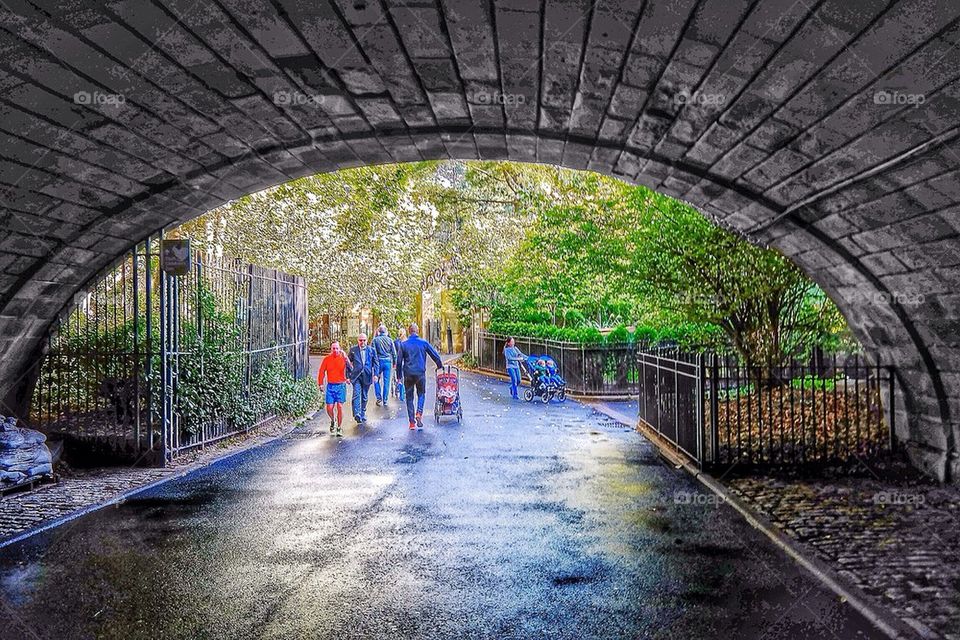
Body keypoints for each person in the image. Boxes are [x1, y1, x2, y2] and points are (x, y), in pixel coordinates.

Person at [396, 322, 443, 430]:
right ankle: (419, 413)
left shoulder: (403, 344)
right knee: (421, 394)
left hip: (408, 374)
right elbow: (435, 355)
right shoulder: (423, 343)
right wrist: (439, 366)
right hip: (420, 373)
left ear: (409, 331)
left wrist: (398, 376)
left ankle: (412, 423)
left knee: (409, 397)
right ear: (418, 331)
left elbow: (399, 362)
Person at [317, 341, 353, 437]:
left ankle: (339, 427)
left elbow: (351, 368)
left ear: (340, 348)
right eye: (333, 348)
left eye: (337, 348)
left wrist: (348, 378)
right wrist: (320, 384)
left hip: (341, 385)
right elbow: (321, 371)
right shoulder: (327, 359)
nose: (335, 350)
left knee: (340, 407)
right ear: (331, 349)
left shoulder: (343, 358)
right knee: (329, 408)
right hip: (331, 386)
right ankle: (333, 420)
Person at [347, 334, 379, 423]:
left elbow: (376, 363)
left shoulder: (371, 350)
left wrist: (376, 374)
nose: (362, 342)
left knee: (364, 396)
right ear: (358, 340)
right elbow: (348, 363)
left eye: (364, 340)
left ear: (367, 340)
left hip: (367, 375)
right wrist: (348, 376)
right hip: (356, 376)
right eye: (360, 340)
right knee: (356, 394)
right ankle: (357, 413)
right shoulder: (353, 350)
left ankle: (363, 412)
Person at [371, 324, 397, 406]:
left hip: (378, 362)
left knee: (376, 380)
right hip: (387, 362)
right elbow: (394, 353)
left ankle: (379, 398)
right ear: (386, 331)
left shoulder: (375, 340)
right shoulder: (390, 340)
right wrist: (395, 363)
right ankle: (385, 400)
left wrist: (373, 363)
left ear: (379, 331)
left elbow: (373, 352)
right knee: (386, 381)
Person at [393, 328, 407, 401]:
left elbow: (394, 352)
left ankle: (399, 388)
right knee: (404, 378)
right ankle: (402, 394)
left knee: (399, 378)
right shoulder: (407, 342)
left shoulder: (396, 342)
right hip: (406, 361)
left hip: (399, 361)